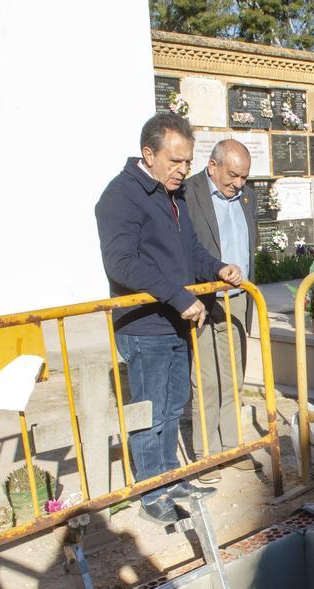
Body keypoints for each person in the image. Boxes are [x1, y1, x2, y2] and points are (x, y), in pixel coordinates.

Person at [95, 113, 242, 524]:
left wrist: (217, 268)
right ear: (149, 153)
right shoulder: (122, 196)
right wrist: (178, 296)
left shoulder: (171, 194)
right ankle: (150, 492)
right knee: (151, 410)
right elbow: (122, 262)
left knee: (174, 404)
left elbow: (189, 251)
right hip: (145, 325)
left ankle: (170, 478)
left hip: (175, 319)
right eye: (176, 161)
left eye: (188, 162)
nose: (183, 170)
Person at [182, 140, 259, 475]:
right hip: (203, 297)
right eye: (232, 175)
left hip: (238, 299)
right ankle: (207, 452)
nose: (238, 183)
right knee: (206, 378)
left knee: (233, 377)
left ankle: (232, 445)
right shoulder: (188, 193)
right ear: (212, 167)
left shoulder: (247, 195)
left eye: (243, 177)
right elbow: (187, 247)